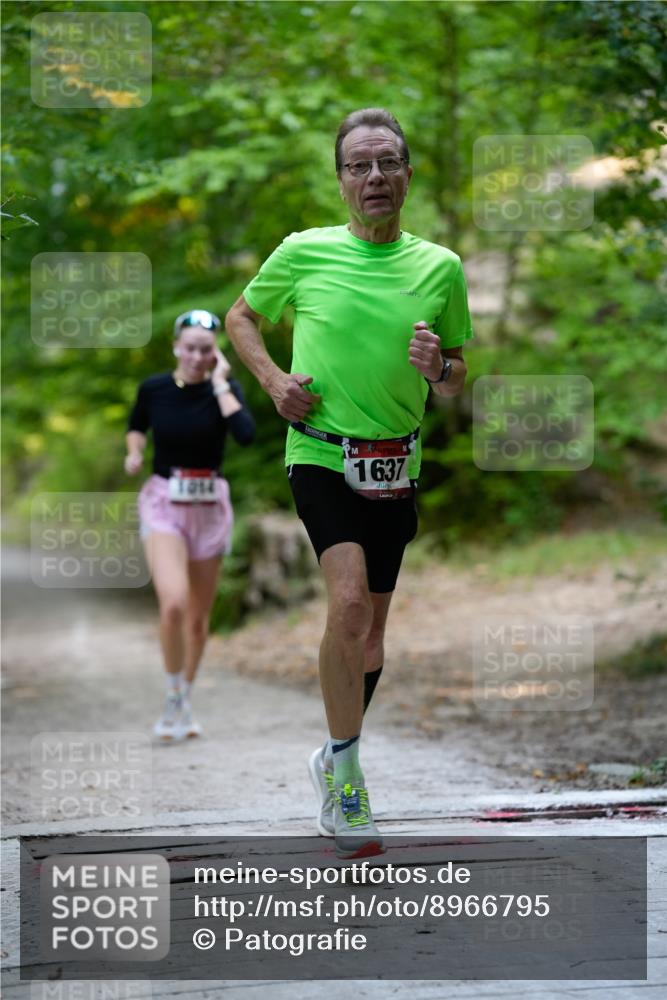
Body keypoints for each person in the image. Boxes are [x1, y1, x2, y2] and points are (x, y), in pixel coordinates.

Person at [225, 108, 473, 858]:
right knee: (348, 604)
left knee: (369, 639)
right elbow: (242, 317)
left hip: (395, 462)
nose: (374, 177)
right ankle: (351, 779)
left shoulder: (440, 267)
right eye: (359, 166)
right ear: (340, 180)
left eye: (387, 163)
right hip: (320, 453)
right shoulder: (304, 252)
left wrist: (439, 370)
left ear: (406, 174)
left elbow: (458, 378)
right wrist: (271, 381)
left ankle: (330, 755)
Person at [125, 309, 255, 742]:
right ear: (177, 347)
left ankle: (185, 697)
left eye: (207, 349)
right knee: (175, 603)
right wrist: (135, 452)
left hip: (209, 507)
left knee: (198, 620)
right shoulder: (154, 388)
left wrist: (220, 384)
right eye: (191, 348)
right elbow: (136, 425)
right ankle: (171, 692)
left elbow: (245, 434)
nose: (198, 356)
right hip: (164, 501)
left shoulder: (224, 390)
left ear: (215, 351)